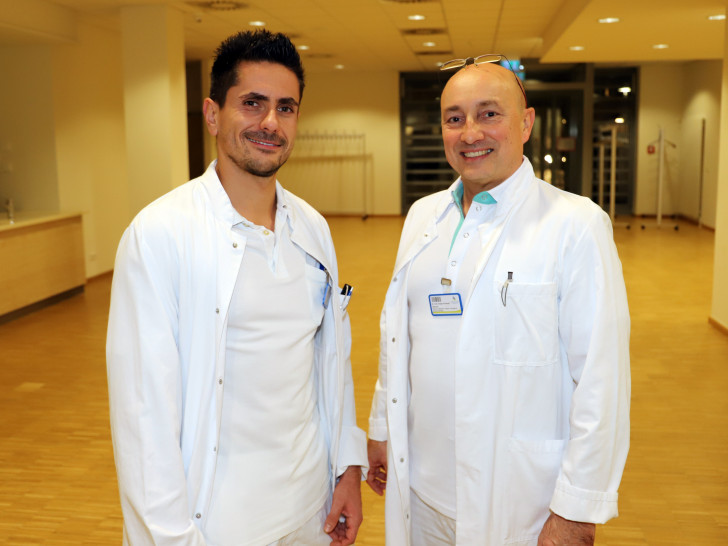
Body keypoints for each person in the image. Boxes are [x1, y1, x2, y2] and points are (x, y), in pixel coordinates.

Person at [106, 29, 367, 546]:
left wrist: (347, 469)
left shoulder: (312, 228)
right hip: (219, 521)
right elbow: (142, 413)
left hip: (309, 508)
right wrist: (171, 536)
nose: (270, 123)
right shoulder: (161, 234)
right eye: (252, 103)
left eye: (285, 108)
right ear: (212, 114)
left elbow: (332, 364)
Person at [366, 56, 631, 545]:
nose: (470, 133)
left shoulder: (574, 225)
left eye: (489, 114)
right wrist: (382, 425)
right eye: (455, 118)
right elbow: (397, 334)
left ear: (526, 123)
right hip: (421, 494)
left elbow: (602, 379)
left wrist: (575, 509)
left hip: (516, 502)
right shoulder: (425, 217)